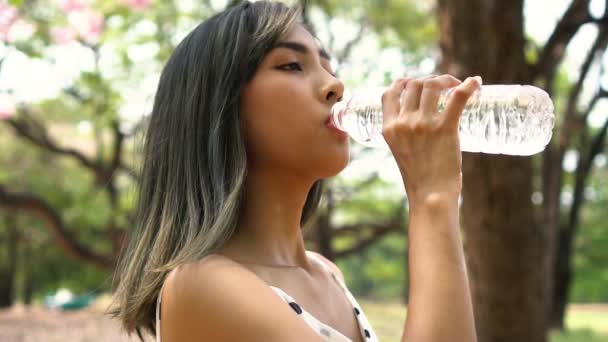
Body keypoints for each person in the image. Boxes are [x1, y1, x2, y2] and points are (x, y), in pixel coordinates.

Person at [110, 1, 479, 341]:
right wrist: (432, 198)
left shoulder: (328, 274)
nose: (335, 86)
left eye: (328, 68)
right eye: (291, 65)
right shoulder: (201, 285)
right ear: (220, 109)